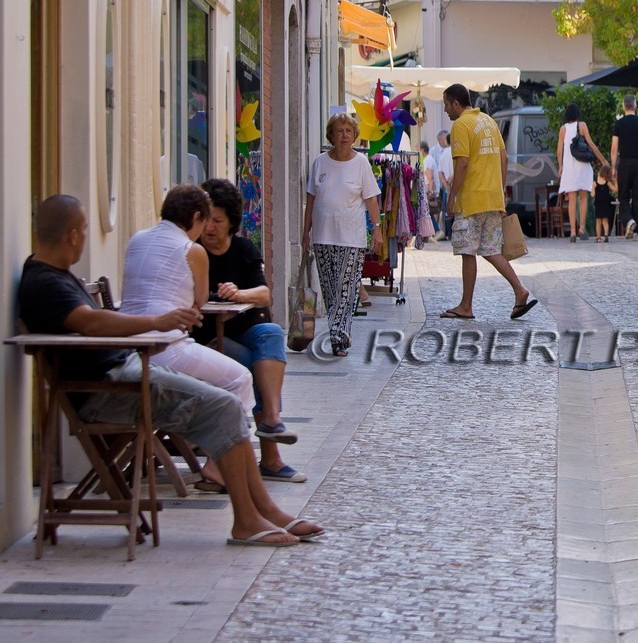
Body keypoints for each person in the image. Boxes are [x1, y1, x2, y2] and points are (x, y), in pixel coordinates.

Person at [19, 196, 324, 546]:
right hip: (111, 388)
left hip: (124, 375)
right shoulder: (46, 283)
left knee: (226, 399)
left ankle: (263, 512)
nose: (87, 237)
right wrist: (156, 321)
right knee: (225, 403)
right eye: (86, 229)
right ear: (73, 235)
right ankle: (248, 520)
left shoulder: (53, 275)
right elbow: (88, 321)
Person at [199, 178, 303, 483]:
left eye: (217, 220)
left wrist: (239, 294)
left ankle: (271, 418)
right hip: (207, 337)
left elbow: (264, 294)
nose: (210, 227)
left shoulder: (243, 248)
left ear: (231, 222)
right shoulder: (192, 252)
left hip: (244, 328)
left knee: (270, 332)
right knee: (255, 364)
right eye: (205, 219)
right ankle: (270, 456)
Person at [121, 184, 254, 413]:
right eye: (204, 222)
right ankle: (227, 444)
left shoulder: (136, 240)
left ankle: (199, 438)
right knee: (240, 378)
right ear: (195, 217)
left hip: (126, 344)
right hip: (165, 347)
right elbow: (200, 299)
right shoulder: (192, 250)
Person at [440, 84, 538, 321]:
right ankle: (520, 291)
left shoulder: (461, 125)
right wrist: (500, 191)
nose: (445, 110)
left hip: (472, 198)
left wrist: (452, 196)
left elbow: (462, 163)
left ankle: (466, 306)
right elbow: (504, 157)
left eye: (446, 104)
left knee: (468, 251)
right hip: (492, 198)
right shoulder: (489, 122)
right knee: (491, 250)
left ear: (455, 103)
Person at [301, 112, 381, 356]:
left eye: (348, 131)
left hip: (351, 238)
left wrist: (376, 229)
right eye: (339, 131)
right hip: (323, 236)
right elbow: (311, 200)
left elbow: (371, 199)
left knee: (345, 289)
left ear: (355, 136)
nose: (344, 135)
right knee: (329, 288)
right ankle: (338, 330)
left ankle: (338, 335)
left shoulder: (361, 164)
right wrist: (305, 233)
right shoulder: (320, 163)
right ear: (331, 136)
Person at [555, 102, 608, 242]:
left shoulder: (563, 129)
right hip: (582, 165)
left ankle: (572, 232)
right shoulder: (582, 126)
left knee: (572, 199)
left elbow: (559, 151)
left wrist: (560, 166)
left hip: (569, 168)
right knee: (583, 198)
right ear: (577, 114)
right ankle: (582, 229)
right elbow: (591, 144)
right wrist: (603, 161)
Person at [610, 93, 638, 239]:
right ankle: (635, 227)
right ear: (635, 106)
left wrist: (613, 167)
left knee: (623, 195)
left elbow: (614, 148)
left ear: (624, 107)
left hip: (624, 162)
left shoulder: (619, 124)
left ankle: (628, 221)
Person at [429, 130, 454, 240]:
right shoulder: (454, 152)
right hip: (456, 184)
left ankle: (447, 233)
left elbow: (439, 171)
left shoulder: (443, 154)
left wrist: (445, 183)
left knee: (446, 210)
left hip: (447, 186)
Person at [416, 141, 435, 248]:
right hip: (428, 188)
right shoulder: (429, 159)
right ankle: (435, 231)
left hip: (427, 188)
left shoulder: (427, 160)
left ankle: (435, 231)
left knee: (429, 210)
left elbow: (429, 176)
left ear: (422, 150)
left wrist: (431, 190)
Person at [593, 168, 615, 243]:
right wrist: (616, 181)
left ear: (600, 173)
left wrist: (593, 187)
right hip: (606, 204)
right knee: (605, 221)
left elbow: (592, 195)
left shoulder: (595, 183)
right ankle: (606, 235)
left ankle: (598, 238)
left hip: (598, 204)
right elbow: (615, 189)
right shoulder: (607, 183)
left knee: (598, 222)